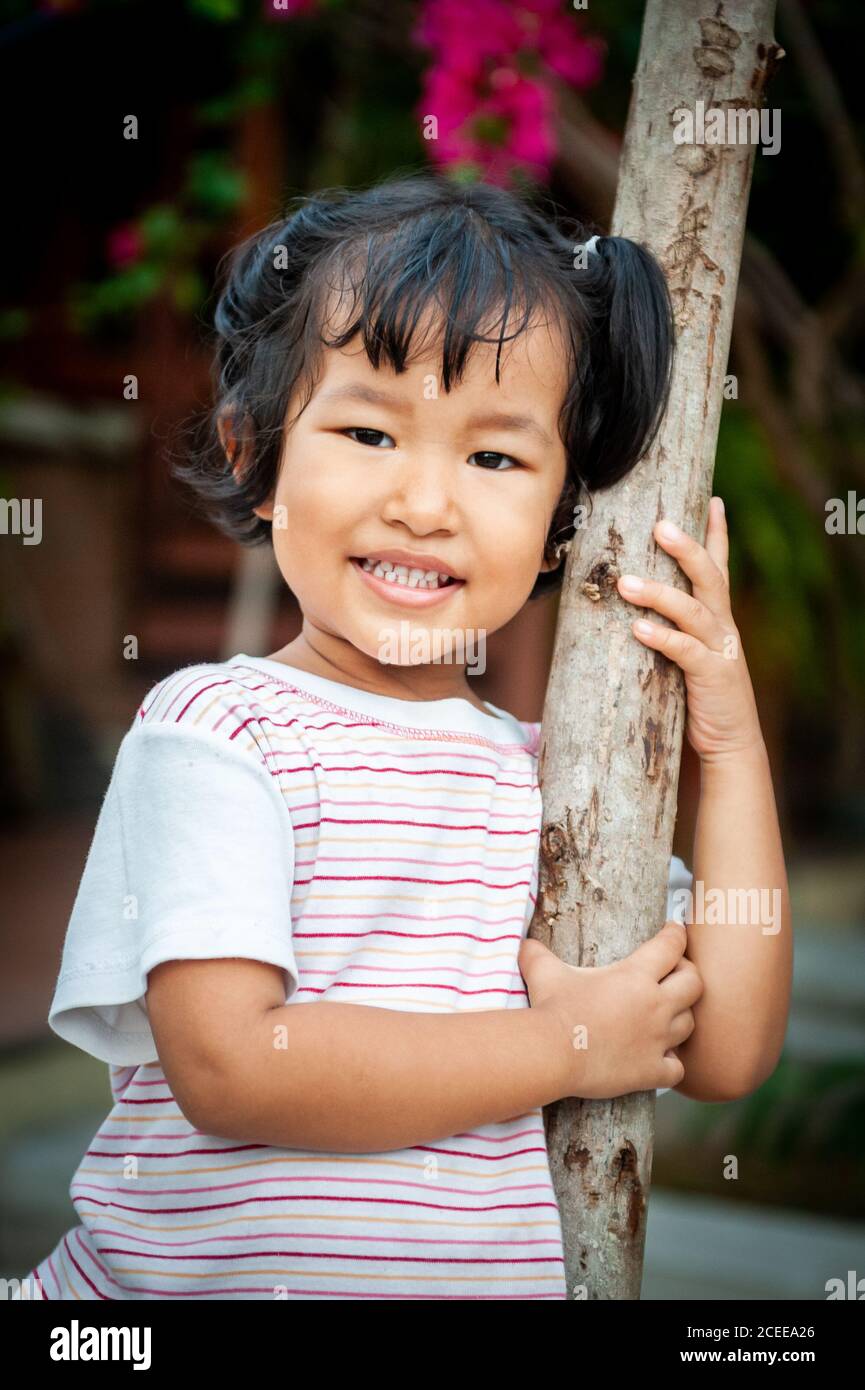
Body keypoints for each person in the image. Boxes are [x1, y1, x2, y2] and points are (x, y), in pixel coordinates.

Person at [20, 173, 791, 1301]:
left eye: (493, 458)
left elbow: (722, 1046)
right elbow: (234, 1064)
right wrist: (567, 1049)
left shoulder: (552, 781)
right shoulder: (220, 734)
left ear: (556, 522)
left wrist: (727, 748)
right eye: (370, 430)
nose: (425, 503)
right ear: (254, 453)